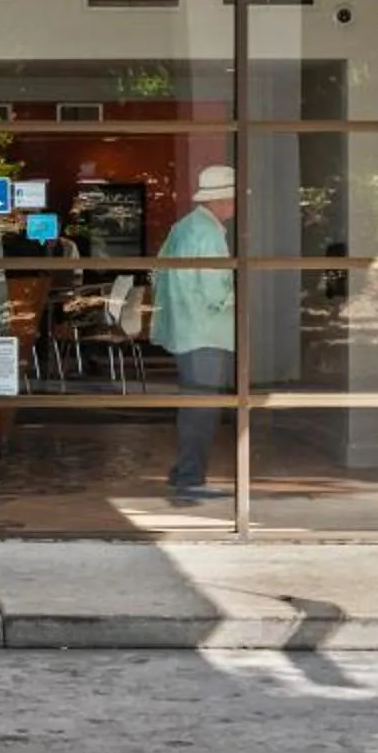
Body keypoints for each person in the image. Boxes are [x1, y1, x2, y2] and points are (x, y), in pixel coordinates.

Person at [148, 163, 237, 505]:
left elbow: (158, 272)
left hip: (184, 330)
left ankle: (184, 472)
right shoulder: (210, 234)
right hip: (206, 333)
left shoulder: (183, 227)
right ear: (222, 199)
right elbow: (216, 291)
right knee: (202, 408)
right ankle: (190, 478)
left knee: (192, 404)